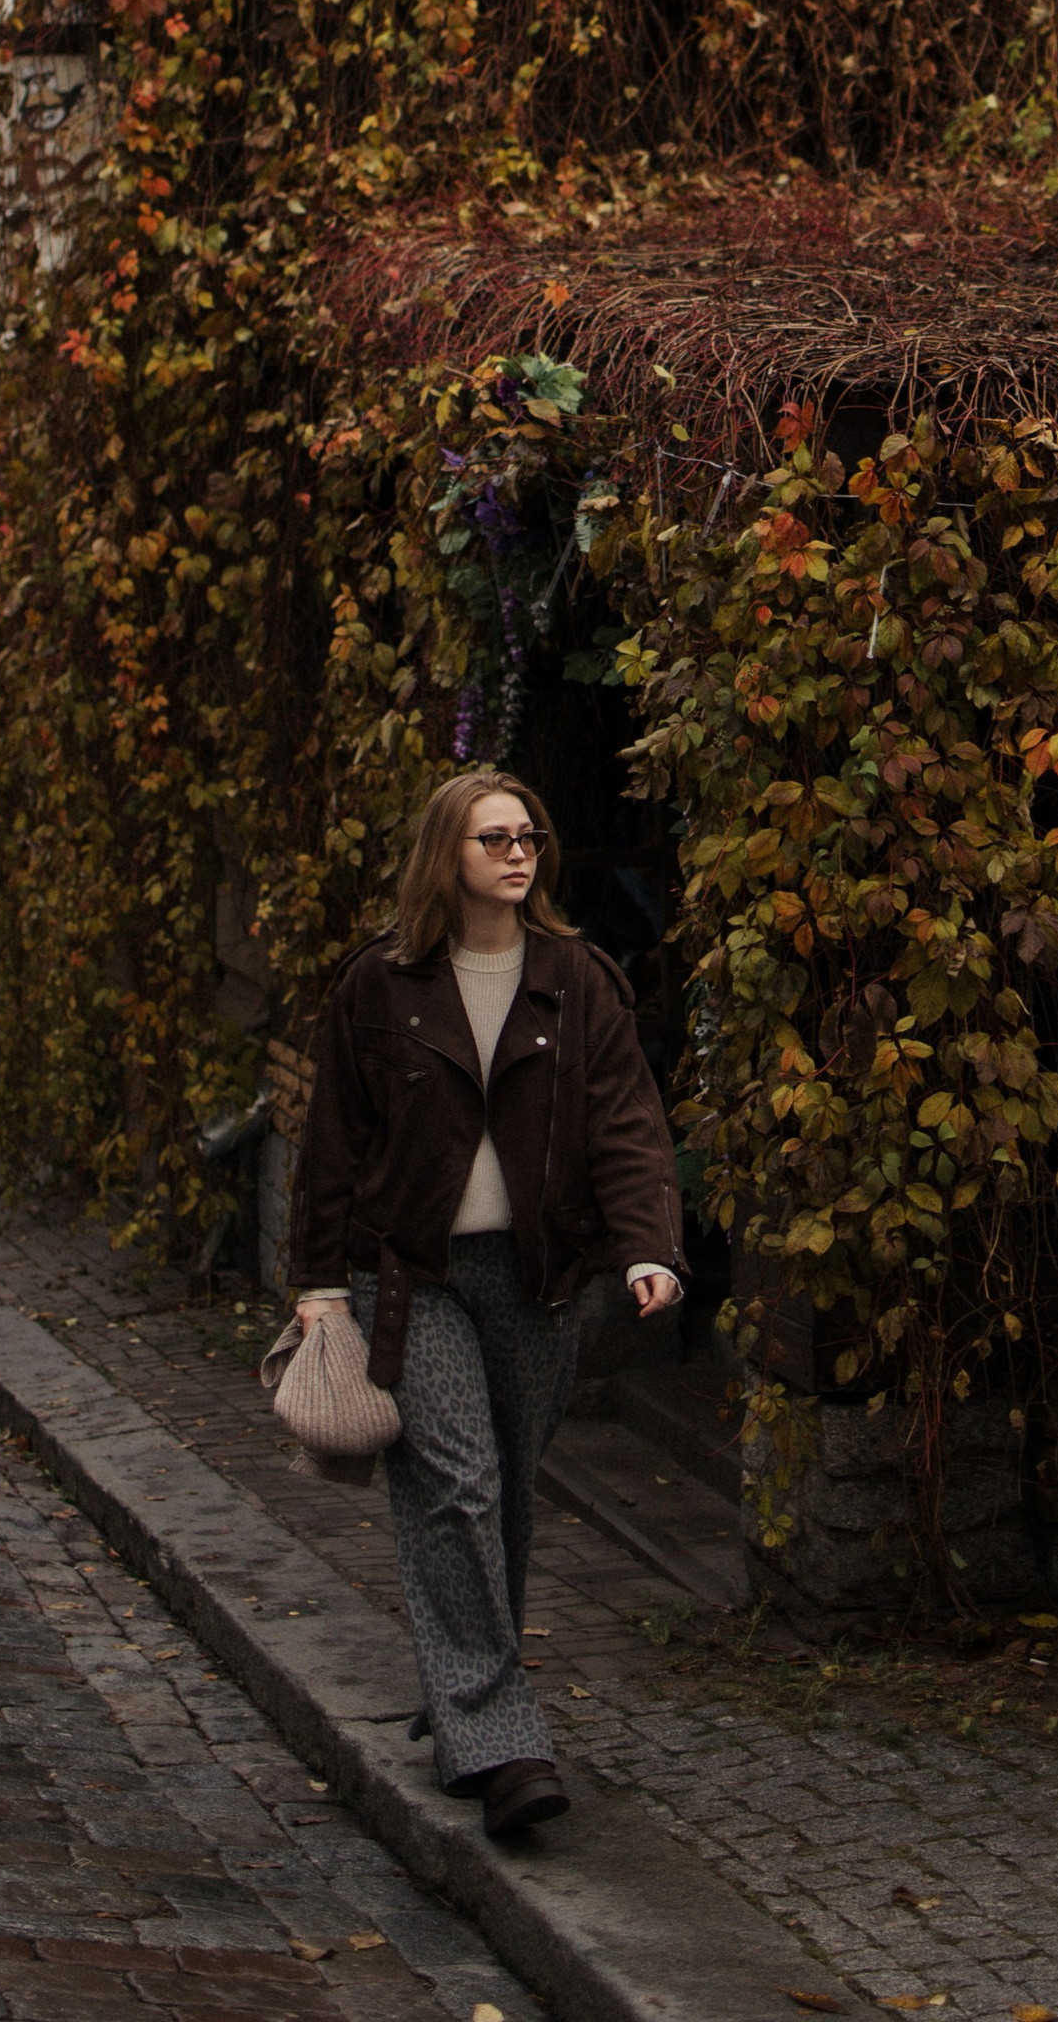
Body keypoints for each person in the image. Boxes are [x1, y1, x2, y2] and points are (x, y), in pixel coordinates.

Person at [289, 766, 684, 1837]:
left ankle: (462, 1692)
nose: (519, 854)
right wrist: (321, 1287)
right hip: (411, 1278)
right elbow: (333, 1142)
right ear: (445, 857)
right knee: (456, 1481)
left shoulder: (579, 979)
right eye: (494, 838)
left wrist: (649, 1249)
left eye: (531, 837)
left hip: (539, 1275)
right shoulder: (381, 984)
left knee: (500, 1494)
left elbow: (627, 1124)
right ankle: (500, 1741)